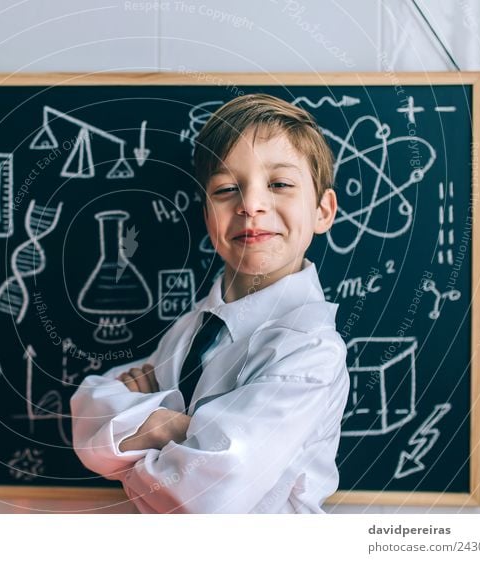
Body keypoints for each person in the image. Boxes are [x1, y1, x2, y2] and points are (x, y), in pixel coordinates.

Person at [70, 93, 349, 513]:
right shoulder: (192, 329)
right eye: (226, 189)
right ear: (208, 219)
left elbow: (200, 501)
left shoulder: (311, 351)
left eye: (280, 184)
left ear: (323, 211)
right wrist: (169, 428)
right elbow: (88, 413)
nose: (251, 204)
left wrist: (136, 440)